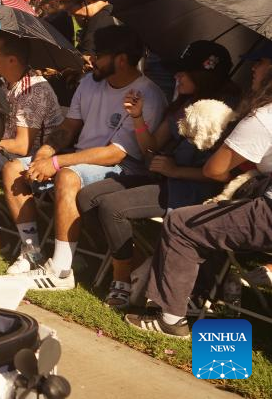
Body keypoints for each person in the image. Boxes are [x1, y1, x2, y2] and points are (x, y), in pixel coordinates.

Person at [1, 26, 166, 289]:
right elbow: (69, 127)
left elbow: (115, 153)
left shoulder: (147, 95)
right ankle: (32, 252)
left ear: (121, 60)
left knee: (67, 176)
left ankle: (61, 271)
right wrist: (45, 153)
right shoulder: (90, 82)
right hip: (79, 158)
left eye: (98, 55)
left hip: (123, 168)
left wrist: (56, 163)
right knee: (13, 169)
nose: (91, 60)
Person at [125, 43, 272, 338]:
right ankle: (198, 293)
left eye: (260, 63)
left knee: (181, 224)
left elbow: (214, 170)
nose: (253, 68)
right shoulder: (183, 108)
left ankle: (170, 319)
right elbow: (151, 148)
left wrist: (234, 160)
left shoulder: (263, 117)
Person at [76, 41, 237, 309]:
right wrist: (137, 118)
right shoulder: (183, 104)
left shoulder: (225, 115)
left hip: (193, 191)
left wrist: (175, 170)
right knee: (87, 196)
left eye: (184, 71)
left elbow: (221, 175)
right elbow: (151, 147)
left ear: (203, 75)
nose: (177, 76)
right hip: (165, 179)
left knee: (112, 207)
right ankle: (138, 264)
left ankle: (122, 282)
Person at [0, 33, 64, 179]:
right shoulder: (9, 83)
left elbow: (22, 146)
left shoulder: (33, 90)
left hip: (32, 157)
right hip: (8, 148)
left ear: (12, 60)